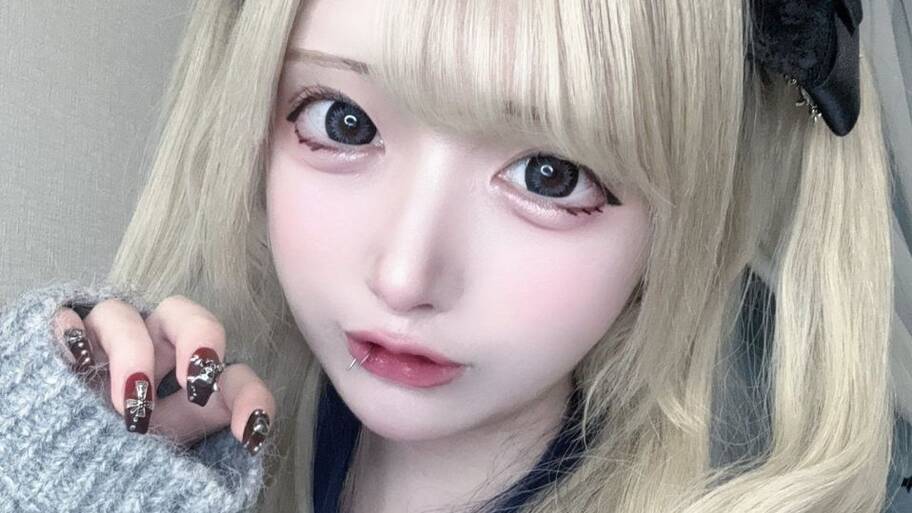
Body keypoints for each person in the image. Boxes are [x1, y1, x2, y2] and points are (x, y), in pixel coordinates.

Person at [0, 0, 909, 512]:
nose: (404, 276)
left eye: (551, 174)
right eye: (341, 121)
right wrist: (67, 477)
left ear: (682, 220)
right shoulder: (231, 426)